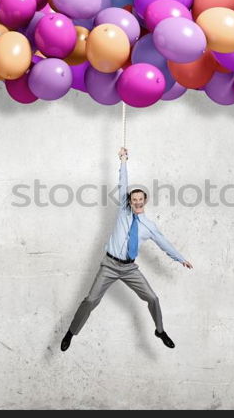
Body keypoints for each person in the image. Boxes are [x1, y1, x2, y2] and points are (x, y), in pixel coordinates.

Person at [61, 147, 193, 351]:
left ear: (145, 201)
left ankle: (159, 331)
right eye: (134, 200)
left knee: (153, 298)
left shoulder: (149, 226)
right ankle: (71, 332)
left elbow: (164, 243)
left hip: (130, 269)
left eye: (140, 200)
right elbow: (123, 184)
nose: (137, 202)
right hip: (110, 265)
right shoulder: (123, 212)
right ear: (130, 202)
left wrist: (180, 258)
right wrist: (123, 161)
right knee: (90, 300)